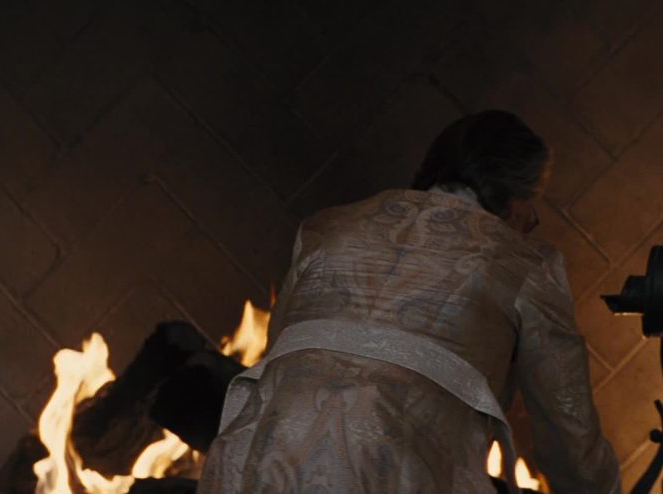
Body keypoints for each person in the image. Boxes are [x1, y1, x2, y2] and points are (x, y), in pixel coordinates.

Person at [197, 110, 620, 493]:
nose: (530, 223)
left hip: (253, 466)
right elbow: (568, 427)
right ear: (514, 199)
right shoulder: (527, 265)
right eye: (532, 208)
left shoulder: (326, 228)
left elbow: (279, 354)